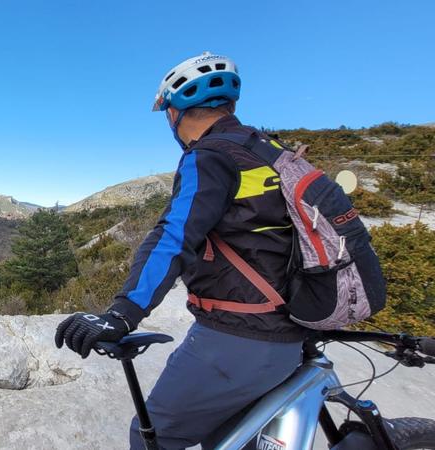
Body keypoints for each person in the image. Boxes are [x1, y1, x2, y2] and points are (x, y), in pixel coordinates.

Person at [55, 52, 308, 449]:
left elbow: (172, 238)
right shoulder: (271, 152)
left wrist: (121, 314)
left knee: (150, 436)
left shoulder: (208, 156)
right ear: (231, 105)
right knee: (227, 435)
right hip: (292, 329)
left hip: (238, 339)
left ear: (174, 111)